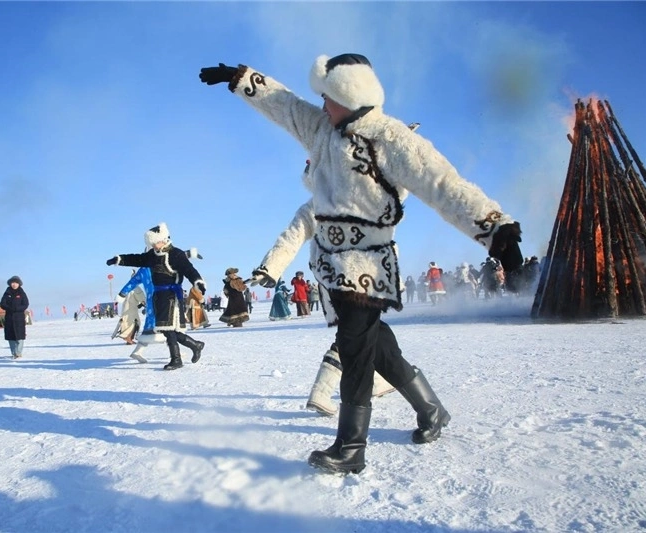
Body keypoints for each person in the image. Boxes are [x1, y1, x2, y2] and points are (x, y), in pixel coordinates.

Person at [200, 53, 523, 474]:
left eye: (328, 98)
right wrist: (244, 80)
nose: (321, 106)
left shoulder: (390, 137)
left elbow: (442, 183)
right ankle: (432, 410)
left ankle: (351, 447)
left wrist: (495, 229)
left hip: (368, 264)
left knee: (354, 346)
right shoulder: (321, 128)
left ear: (348, 95)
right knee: (378, 348)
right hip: (332, 268)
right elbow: (286, 105)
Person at [106, 223, 206, 370]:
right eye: (152, 244)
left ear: (164, 239)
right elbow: (137, 259)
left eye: (156, 243)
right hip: (158, 296)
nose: (154, 246)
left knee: (169, 329)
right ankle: (195, 345)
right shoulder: (152, 255)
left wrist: (198, 282)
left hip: (172, 295)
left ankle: (176, 359)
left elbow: (189, 270)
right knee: (166, 329)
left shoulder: (176, 254)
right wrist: (119, 260)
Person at [113, 269, 146, 345]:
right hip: (131, 310)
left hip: (125, 309)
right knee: (134, 323)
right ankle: (128, 338)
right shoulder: (136, 288)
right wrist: (145, 304)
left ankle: (129, 339)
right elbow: (142, 298)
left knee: (127, 323)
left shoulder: (128, 286)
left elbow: (121, 295)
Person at [0, 275, 29, 360]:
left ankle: (18, 353)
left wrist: (17, 309)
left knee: (20, 336)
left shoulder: (22, 293)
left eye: (16, 283)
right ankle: (13, 353)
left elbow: (25, 304)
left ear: (19, 284)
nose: (14, 284)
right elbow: (2, 304)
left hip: (19, 318)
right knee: (11, 336)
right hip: (9, 317)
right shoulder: (7, 293)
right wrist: (9, 308)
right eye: (13, 283)